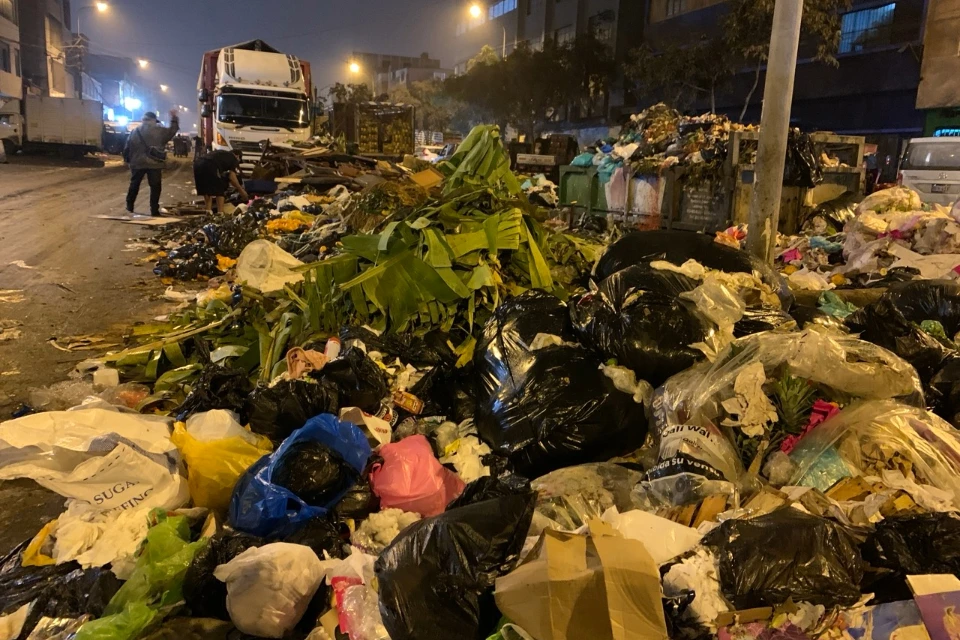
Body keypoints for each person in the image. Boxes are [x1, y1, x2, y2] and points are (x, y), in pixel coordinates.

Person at [124, 110, 179, 216]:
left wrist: (128, 161)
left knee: (134, 184)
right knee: (155, 187)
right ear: (153, 120)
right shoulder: (159, 131)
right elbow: (173, 131)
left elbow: (127, 147)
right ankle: (154, 209)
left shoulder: (134, 131)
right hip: (154, 163)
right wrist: (174, 118)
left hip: (137, 163)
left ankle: (129, 205)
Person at [194, 148, 248, 213]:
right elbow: (232, 177)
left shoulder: (222, 154)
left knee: (207, 190)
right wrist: (242, 191)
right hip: (211, 164)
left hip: (198, 163)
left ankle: (208, 212)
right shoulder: (233, 158)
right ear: (237, 156)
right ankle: (220, 213)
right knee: (220, 189)